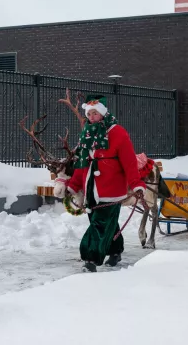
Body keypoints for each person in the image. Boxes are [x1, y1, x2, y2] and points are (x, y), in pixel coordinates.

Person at [66, 95, 146, 272]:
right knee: (106, 223)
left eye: (95, 113)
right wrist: (74, 184)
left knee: (100, 225)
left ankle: (90, 258)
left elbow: (129, 162)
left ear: (103, 112)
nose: (92, 117)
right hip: (91, 189)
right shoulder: (87, 132)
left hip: (111, 189)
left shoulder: (118, 132)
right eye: (89, 113)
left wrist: (136, 183)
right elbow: (82, 163)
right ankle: (115, 251)